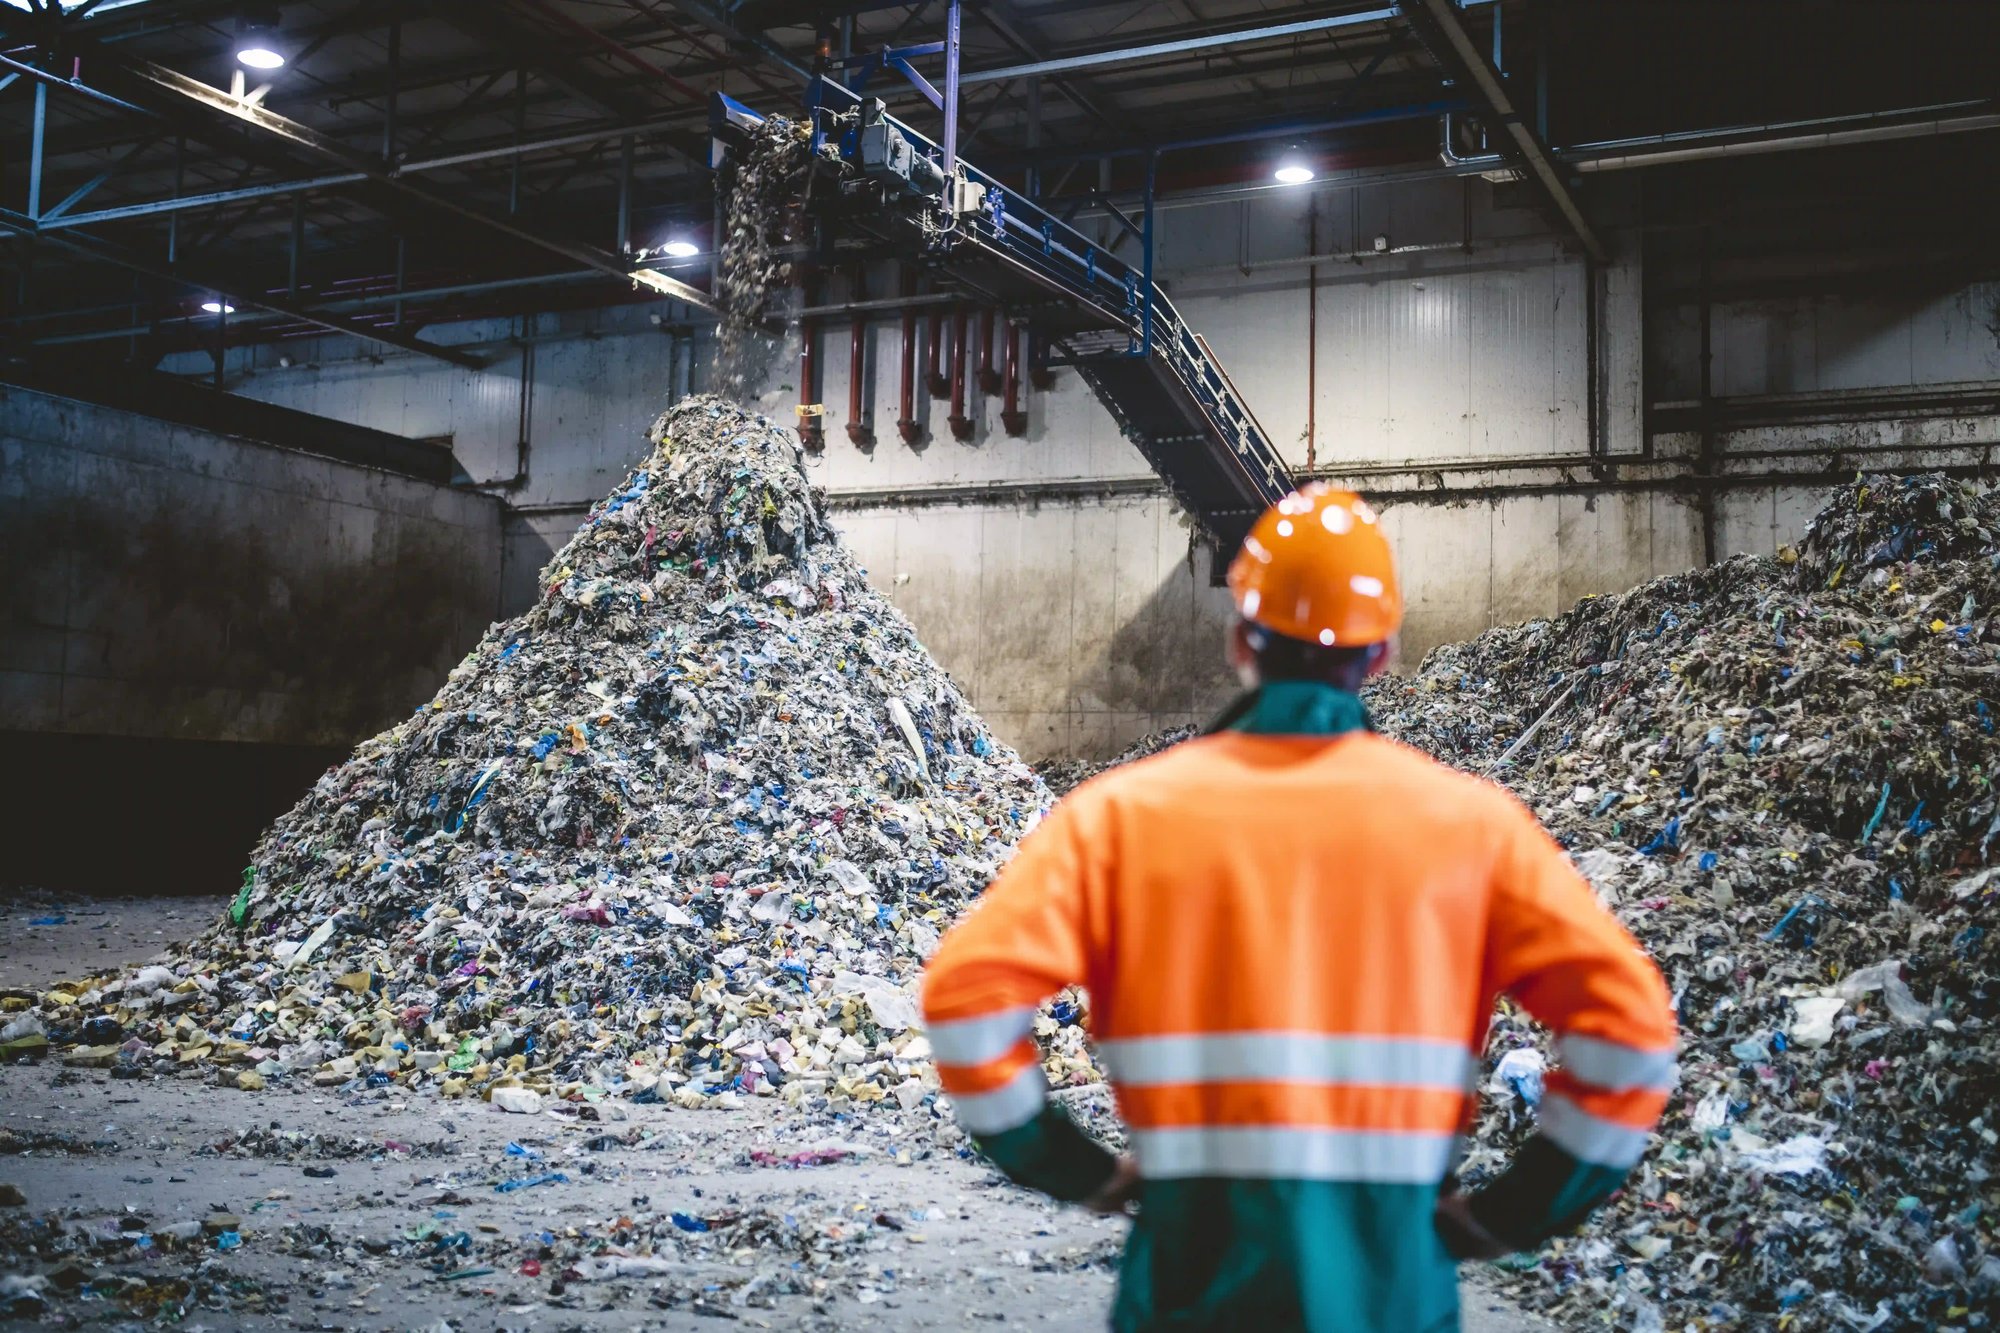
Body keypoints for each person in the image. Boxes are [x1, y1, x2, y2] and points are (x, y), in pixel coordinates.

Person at [919, 485, 1679, 1332]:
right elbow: (1634, 1037)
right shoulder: (1476, 829)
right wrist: (1514, 1211)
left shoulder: (1118, 819)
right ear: (1382, 653)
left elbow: (965, 1000)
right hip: (1391, 1296)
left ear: (1242, 637)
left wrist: (1072, 1166)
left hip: (1186, 1294)